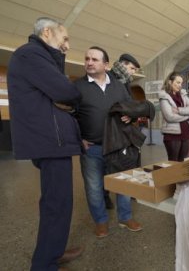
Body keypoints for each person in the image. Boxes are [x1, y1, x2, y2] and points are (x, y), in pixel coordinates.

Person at [7, 17, 83, 270]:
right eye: (65, 38)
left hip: (52, 139)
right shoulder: (31, 54)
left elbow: (60, 93)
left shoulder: (39, 57)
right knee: (56, 204)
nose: (67, 45)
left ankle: (54, 251)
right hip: (50, 141)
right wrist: (66, 96)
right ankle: (44, 264)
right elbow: (67, 92)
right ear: (47, 32)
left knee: (59, 201)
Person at [74, 46, 142, 238]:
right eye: (87, 58)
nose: (89, 62)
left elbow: (131, 107)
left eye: (94, 59)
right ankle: (101, 222)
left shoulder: (119, 86)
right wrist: (78, 138)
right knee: (94, 187)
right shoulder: (77, 87)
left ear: (106, 64)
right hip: (92, 148)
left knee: (123, 183)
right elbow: (69, 115)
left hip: (118, 146)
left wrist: (132, 116)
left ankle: (125, 217)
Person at [103, 53, 140, 209]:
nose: (132, 72)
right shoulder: (108, 78)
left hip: (124, 133)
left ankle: (127, 195)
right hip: (109, 132)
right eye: (131, 68)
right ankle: (105, 196)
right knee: (105, 168)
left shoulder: (126, 81)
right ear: (123, 64)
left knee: (126, 165)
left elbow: (131, 106)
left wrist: (133, 116)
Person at [159, 72, 189, 161]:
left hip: (186, 133)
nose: (180, 85)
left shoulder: (182, 94)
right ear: (170, 82)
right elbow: (170, 117)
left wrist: (179, 110)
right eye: (178, 82)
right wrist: (188, 116)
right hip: (172, 134)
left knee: (183, 162)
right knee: (173, 163)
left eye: (181, 83)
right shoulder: (164, 96)